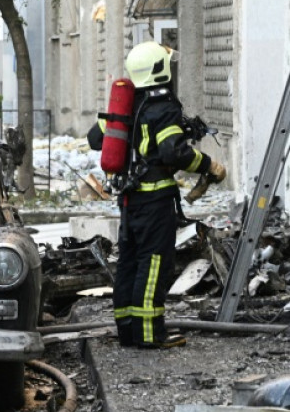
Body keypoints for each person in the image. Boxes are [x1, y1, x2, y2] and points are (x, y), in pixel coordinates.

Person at [88, 41, 226, 349]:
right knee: (154, 265)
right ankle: (150, 335)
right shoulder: (163, 108)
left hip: (128, 199)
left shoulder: (124, 103)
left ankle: (127, 332)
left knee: (129, 264)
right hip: (155, 200)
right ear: (159, 69)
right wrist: (208, 165)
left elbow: (95, 138)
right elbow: (173, 152)